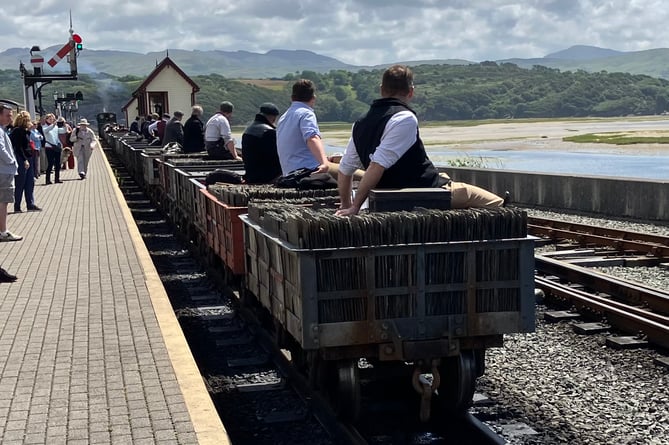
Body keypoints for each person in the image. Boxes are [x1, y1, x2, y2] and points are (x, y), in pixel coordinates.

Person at [336, 65, 505, 217]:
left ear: (381, 89)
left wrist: (346, 205)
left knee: (444, 177)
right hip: (421, 191)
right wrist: (355, 207)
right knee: (493, 202)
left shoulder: (360, 123)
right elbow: (377, 165)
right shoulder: (404, 118)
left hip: (389, 193)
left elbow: (345, 169)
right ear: (411, 91)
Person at [276, 79, 329, 176]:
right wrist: (324, 162)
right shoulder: (306, 114)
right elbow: (312, 138)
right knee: (353, 173)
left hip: (288, 172)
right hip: (308, 170)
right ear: (313, 98)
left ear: (292, 98)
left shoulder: (283, 117)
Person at [241, 103, 282, 184]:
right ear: (273, 117)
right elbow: (278, 156)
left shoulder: (248, 129)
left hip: (251, 175)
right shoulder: (269, 132)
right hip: (267, 177)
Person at [9, 111, 40, 212]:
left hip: (28, 157)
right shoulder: (17, 131)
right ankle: (17, 205)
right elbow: (18, 147)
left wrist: (29, 130)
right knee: (20, 182)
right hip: (21, 158)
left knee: (29, 182)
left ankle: (30, 204)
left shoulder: (24, 131)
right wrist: (24, 160)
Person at [0, 104, 22, 242]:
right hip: (4, 170)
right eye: (8, 115)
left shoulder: (3, 130)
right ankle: (3, 231)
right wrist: (11, 161)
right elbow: (0, 148)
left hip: (4, 169)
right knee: (3, 201)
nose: (10, 118)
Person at [42, 114, 62, 184]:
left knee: (58, 163)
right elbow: (46, 131)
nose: (51, 120)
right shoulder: (44, 127)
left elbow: (61, 132)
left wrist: (64, 124)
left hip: (56, 146)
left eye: (52, 119)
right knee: (50, 163)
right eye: (50, 119)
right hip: (49, 147)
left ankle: (57, 178)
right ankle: (47, 179)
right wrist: (53, 125)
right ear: (46, 119)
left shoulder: (55, 127)